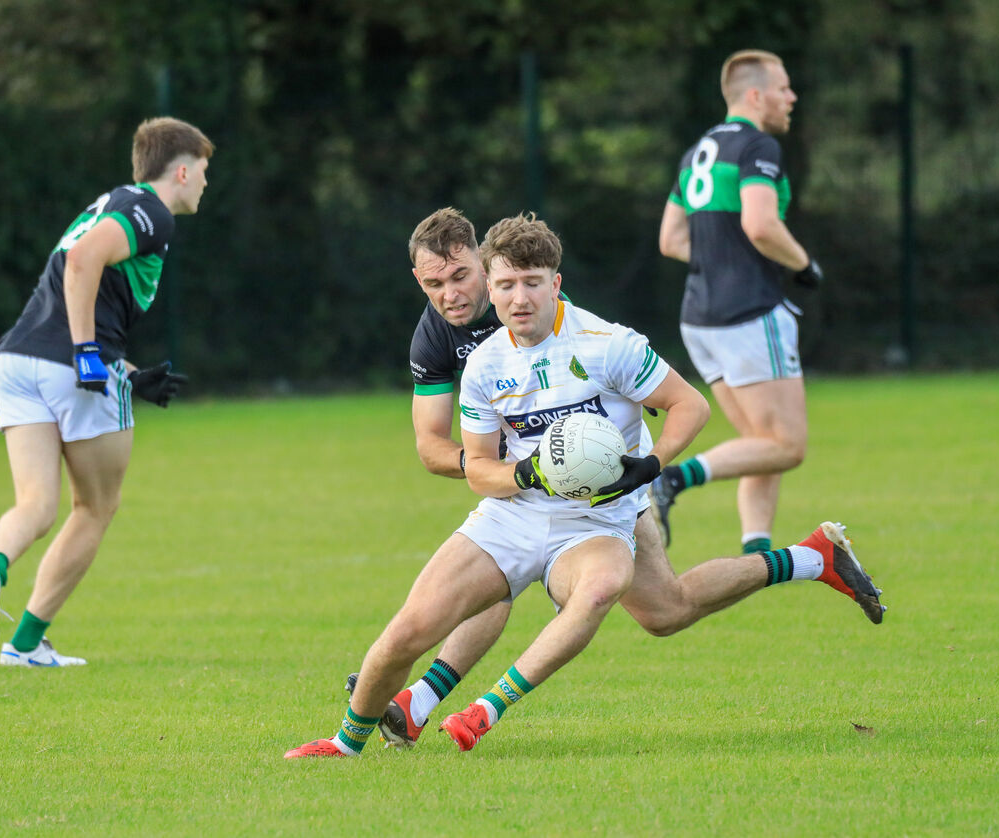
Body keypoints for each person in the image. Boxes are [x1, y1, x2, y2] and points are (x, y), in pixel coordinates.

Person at [287, 213, 884, 759]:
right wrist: (524, 473)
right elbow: (458, 459)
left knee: (621, 597)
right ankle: (350, 741)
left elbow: (687, 406)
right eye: (503, 286)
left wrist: (646, 467)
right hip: (515, 511)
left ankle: (475, 710)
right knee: (415, 629)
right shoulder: (473, 358)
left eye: (526, 283)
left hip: (604, 511)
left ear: (552, 283)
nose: (505, 297)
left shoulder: (604, 343)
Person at [0, 117, 213, 667]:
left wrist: (126, 372)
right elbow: (82, 262)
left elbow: (86, 293)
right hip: (70, 367)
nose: (205, 185)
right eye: (205, 172)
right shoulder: (152, 212)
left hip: (16, 360)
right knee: (96, 507)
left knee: (35, 503)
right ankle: (25, 644)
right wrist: (86, 353)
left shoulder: (110, 203)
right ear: (183, 169)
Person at [652, 49, 823, 554]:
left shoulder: (699, 151)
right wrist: (803, 265)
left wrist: (719, 261)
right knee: (787, 446)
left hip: (699, 318)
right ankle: (674, 479)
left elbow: (670, 239)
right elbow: (761, 224)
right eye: (784, 87)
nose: (791, 97)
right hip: (748, 313)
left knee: (759, 443)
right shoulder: (758, 146)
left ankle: (757, 553)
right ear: (756, 95)